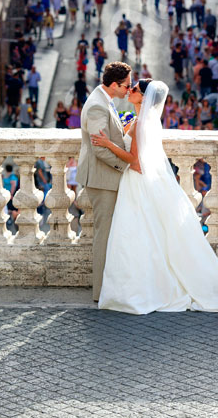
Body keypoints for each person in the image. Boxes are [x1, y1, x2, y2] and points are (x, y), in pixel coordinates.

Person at [91, 79, 218, 314]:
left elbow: (134, 161)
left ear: (144, 98)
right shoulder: (146, 121)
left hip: (137, 181)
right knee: (148, 234)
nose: (130, 90)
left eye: (134, 89)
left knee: (137, 233)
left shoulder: (140, 123)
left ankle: (143, 288)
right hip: (144, 181)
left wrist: (107, 143)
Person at [77, 62, 139, 302]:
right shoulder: (96, 106)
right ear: (114, 85)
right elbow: (100, 150)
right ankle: (101, 292)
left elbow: (107, 138)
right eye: (126, 85)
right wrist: (127, 165)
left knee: (111, 233)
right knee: (104, 236)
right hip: (103, 181)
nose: (129, 89)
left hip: (106, 178)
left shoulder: (103, 99)